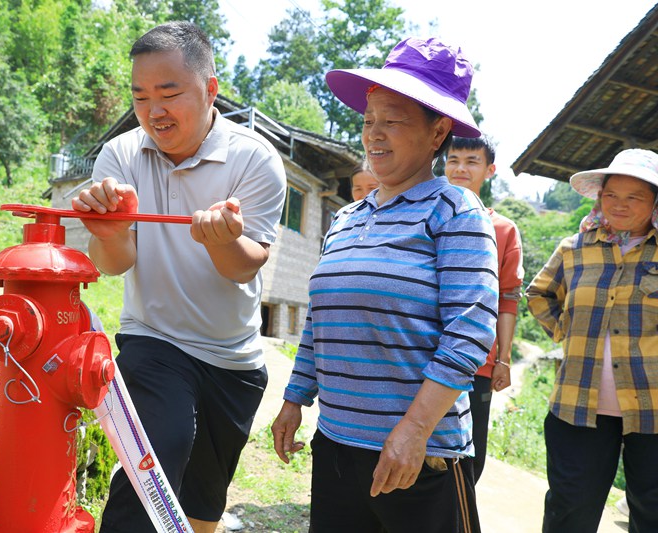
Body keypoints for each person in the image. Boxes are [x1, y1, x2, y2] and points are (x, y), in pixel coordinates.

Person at [271, 37, 498, 533]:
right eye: (369, 119)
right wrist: (295, 398)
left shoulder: (456, 212)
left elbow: (471, 332)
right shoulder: (347, 218)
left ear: (438, 132)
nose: (374, 133)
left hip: (420, 459)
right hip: (336, 445)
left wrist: (413, 431)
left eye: (392, 120)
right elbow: (321, 321)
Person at [71, 21, 286, 533]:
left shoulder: (254, 160)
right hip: (154, 338)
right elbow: (114, 262)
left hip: (233, 360)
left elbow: (242, 267)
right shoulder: (121, 156)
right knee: (155, 452)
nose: (153, 111)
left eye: (169, 93)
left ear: (210, 89)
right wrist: (109, 229)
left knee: (202, 506)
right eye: (140, 96)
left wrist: (223, 239)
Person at [526, 148, 658, 533]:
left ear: (653, 202)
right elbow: (539, 295)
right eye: (611, 194)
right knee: (570, 512)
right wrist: (568, 332)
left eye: (634, 196)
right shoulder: (575, 249)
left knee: (652, 515)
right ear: (600, 198)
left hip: (653, 409)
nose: (620, 204)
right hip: (578, 405)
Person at [445, 135, 524, 482]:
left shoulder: (504, 229)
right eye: (453, 159)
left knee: (468, 454)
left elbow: (508, 297)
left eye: (471, 161)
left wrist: (503, 358)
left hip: (477, 362)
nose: (461, 168)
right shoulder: (426, 216)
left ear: (489, 170)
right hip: (419, 350)